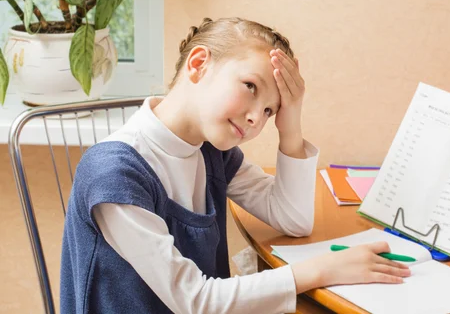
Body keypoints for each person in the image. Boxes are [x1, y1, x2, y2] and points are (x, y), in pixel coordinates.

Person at [60, 17, 410, 313]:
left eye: (271, 110)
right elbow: (194, 300)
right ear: (199, 64)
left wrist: (291, 125)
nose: (257, 118)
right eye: (250, 86)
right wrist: (321, 270)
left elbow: (293, 219)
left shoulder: (212, 151)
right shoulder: (114, 173)